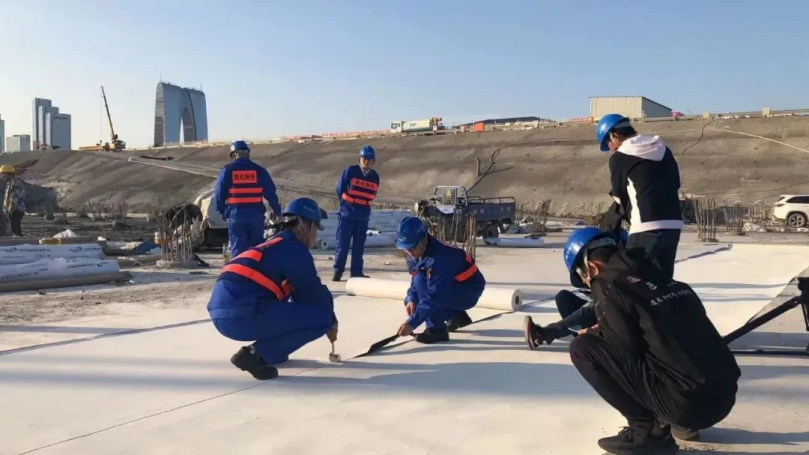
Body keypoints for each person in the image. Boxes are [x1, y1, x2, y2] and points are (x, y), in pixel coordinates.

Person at [563, 228, 740, 454]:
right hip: (723, 397)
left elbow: (624, 349)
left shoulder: (608, 282)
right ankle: (672, 422)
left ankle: (646, 432)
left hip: (688, 405)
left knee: (583, 348)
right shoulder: (664, 279)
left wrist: (594, 333)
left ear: (592, 268)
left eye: (584, 280)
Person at [207, 197, 338, 380]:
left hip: (223, 314)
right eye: (315, 228)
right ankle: (253, 356)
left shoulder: (273, 244)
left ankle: (271, 353)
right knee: (321, 317)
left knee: (294, 327)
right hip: (243, 314)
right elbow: (311, 293)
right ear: (302, 225)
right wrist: (331, 320)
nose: (316, 236)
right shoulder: (294, 249)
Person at [596, 114, 683, 281]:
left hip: (645, 226)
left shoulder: (619, 158)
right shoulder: (663, 149)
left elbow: (619, 197)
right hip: (673, 224)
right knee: (662, 283)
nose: (611, 149)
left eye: (609, 144)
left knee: (632, 283)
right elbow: (676, 183)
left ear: (615, 136)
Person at [524, 228, 628, 346]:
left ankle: (548, 334)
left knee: (578, 348)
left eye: (582, 276)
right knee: (564, 298)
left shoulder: (620, 285)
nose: (585, 281)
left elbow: (591, 309)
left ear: (592, 267)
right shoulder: (621, 274)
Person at [393, 216, 486, 344]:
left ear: (423, 239)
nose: (408, 251)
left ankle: (436, 330)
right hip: (453, 286)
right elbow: (416, 280)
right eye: (405, 248)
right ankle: (456, 316)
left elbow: (434, 295)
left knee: (430, 296)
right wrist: (411, 299)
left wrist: (412, 323)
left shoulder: (442, 258)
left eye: (411, 247)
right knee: (420, 287)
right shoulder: (414, 254)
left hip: (468, 290)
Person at [215, 140, 282, 259]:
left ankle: (238, 275)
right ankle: (254, 276)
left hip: (236, 217)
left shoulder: (227, 171)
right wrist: (277, 212)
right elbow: (271, 193)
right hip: (255, 217)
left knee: (238, 252)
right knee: (256, 252)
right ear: (248, 154)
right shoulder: (259, 171)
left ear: (234, 155)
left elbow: (219, 194)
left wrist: (224, 212)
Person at [332, 145, 380, 281]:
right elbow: (339, 190)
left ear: (373, 162)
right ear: (360, 159)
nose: (367, 162)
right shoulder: (349, 171)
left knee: (359, 246)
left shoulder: (375, 176)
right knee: (342, 244)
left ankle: (356, 273)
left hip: (363, 215)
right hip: (347, 213)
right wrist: (345, 206)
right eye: (365, 159)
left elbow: (373, 194)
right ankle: (338, 271)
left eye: (370, 160)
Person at [1, 165, 26, 237]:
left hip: (15, 210)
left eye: (3, 174)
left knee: (14, 229)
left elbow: (14, 199)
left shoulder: (14, 183)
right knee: (15, 229)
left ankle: (18, 245)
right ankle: (19, 243)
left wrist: (9, 212)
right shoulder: (10, 183)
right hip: (14, 210)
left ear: (8, 174)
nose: (2, 176)